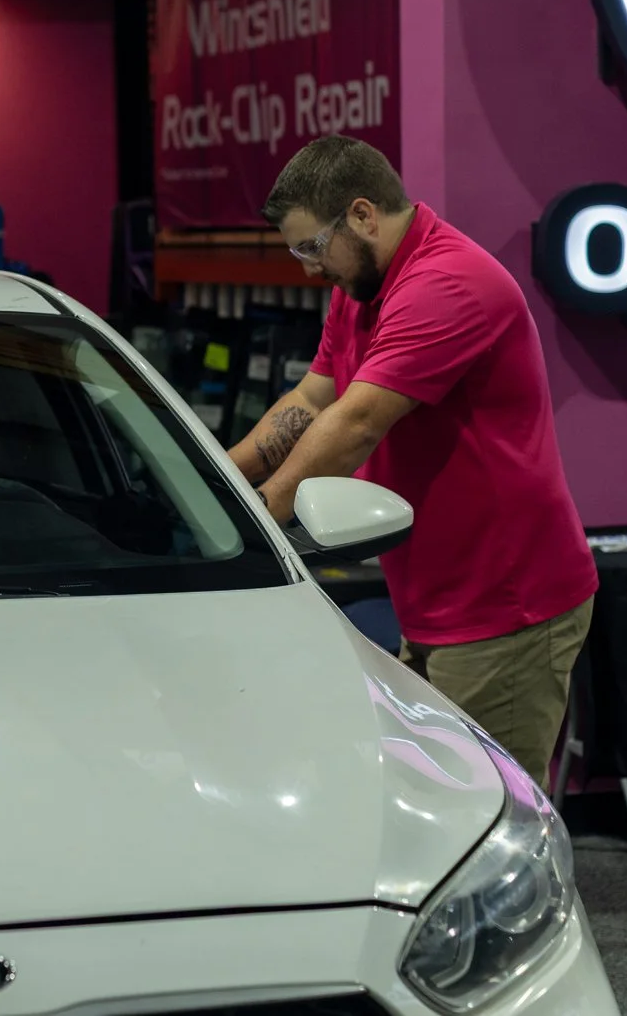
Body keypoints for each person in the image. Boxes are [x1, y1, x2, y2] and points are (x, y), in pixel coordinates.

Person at [228, 137, 597, 785]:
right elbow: (313, 398)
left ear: (364, 215)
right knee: (438, 809)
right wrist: (214, 479)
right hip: (435, 598)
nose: (309, 269)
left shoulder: (445, 284)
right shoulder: (361, 285)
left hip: (504, 606)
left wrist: (258, 520)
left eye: (312, 246)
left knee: (495, 824)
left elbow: (357, 421)